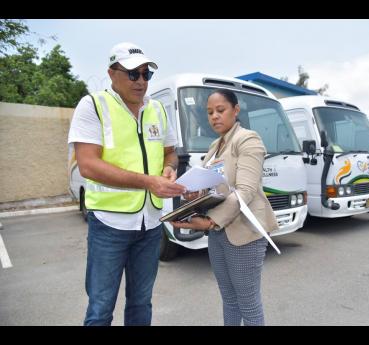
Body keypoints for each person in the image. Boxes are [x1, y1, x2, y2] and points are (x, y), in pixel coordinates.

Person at [68, 42, 186, 326]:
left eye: (147, 74)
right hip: (109, 225)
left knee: (141, 303)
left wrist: (169, 170)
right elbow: (88, 164)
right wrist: (149, 182)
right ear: (112, 73)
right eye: (134, 74)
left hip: (150, 224)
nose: (142, 82)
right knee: (100, 308)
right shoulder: (93, 105)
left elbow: (170, 153)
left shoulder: (157, 109)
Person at [169, 89, 279, 326]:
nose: (214, 117)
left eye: (221, 110)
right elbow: (217, 189)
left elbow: (245, 191)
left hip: (244, 233)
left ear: (236, 110)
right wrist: (194, 193)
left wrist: (210, 222)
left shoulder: (248, 139)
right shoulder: (214, 147)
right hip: (218, 233)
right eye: (210, 112)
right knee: (229, 299)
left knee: (248, 303)